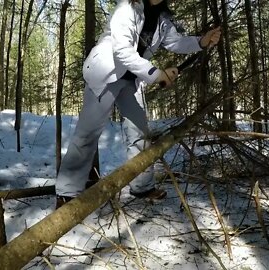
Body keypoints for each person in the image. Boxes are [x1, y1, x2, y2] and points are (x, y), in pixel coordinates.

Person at [56, 0, 221, 208]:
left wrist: (201, 41)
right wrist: (157, 74)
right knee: (87, 133)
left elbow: (175, 42)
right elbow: (122, 51)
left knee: (140, 133)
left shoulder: (162, 18)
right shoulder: (127, 8)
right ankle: (66, 194)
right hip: (106, 73)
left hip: (132, 79)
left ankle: (142, 186)